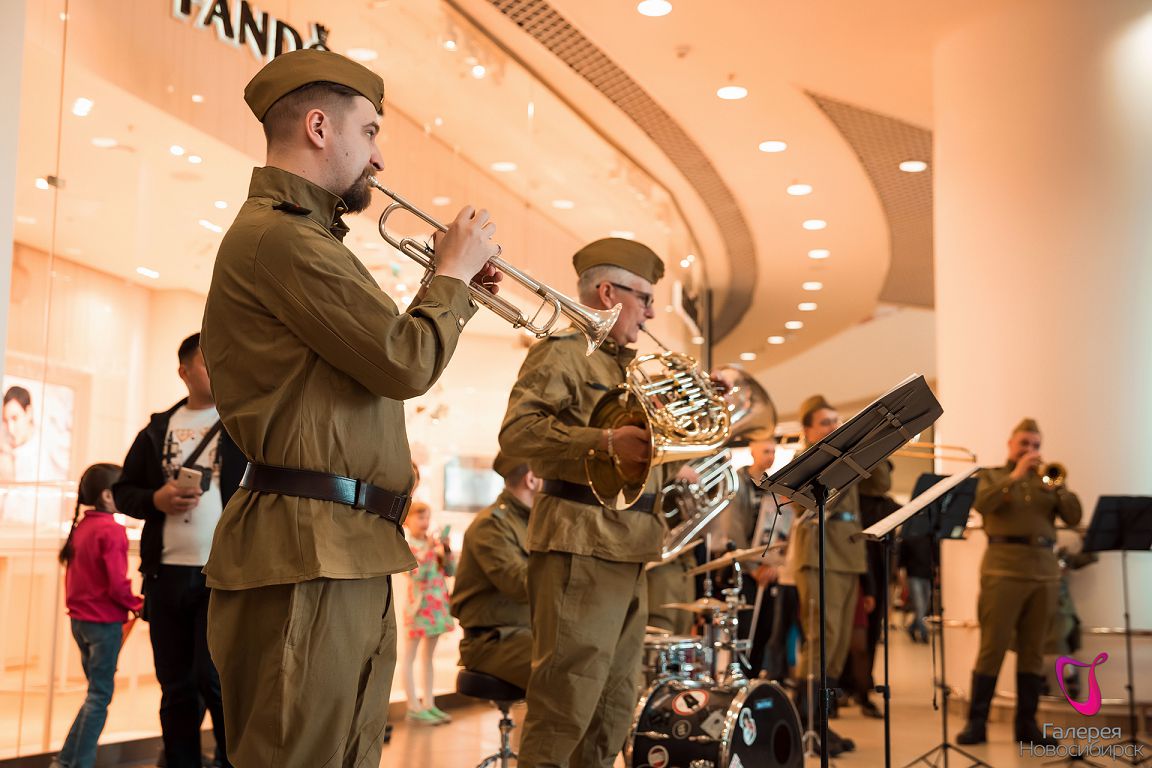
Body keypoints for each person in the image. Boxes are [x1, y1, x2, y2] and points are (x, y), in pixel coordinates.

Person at [200, 48, 499, 768]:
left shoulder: (301, 239)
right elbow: (405, 360)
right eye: (369, 132)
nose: (379, 158)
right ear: (318, 128)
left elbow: (377, 363)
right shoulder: (282, 238)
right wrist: (450, 278)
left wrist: (452, 287)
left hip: (337, 546)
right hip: (308, 550)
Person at [499, 237, 667, 768]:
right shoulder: (563, 351)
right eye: (644, 298)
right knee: (564, 706)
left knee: (612, 712)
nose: (651, 312)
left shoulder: (628, 370)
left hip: (628, 547)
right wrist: (605, 441)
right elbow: (519, 435)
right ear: (608, 293)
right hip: (581, 543)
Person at [113, 333, 242, 768]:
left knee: (215, 680)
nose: (219, 368)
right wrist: (156, 499)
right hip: (165, 573)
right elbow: (123, 491)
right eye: (208, 362)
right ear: (184, 372)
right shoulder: (157, 429)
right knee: (175, 685)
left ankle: (230, 761)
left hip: (221, 574)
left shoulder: (242, 424)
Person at [956, 418, 1082, 747]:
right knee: (993, 647)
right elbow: (982, 504)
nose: (1030, 450)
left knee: (1033, 651)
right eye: (1024, 443)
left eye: (1036, 445)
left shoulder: (1047, 480)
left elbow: (1074, 516)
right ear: (1010, 445)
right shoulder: (992, 476)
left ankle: (1027, 726)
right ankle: (976, 723)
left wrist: (1059, 489)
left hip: (1044, 572)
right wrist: (1014, 476)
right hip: (1003, 571)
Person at [787, 394, 869, 757]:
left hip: (847, 555)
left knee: (837, 647)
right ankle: (806, 721)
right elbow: (809, 503)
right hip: (820, 555)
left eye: (836, 421)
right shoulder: (803, 462)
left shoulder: (848, 457)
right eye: (825, 422)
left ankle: (822, 720)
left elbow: (880, 484)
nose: (834, 427)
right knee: (822, 639)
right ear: (807, 431)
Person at [51, 463, 142, 768]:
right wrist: (137, 603)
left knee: (94, 695)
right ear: (107, 495)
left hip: (80, 623)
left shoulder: (82, 528)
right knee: (99, 698)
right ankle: (80, 763)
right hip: (103, 624)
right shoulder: (111, 530)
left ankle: (65, 761)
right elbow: (117, 585)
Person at [450, 453, 537, 689]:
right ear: (531, 479)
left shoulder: (531, 523)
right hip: (491, 641)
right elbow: (521, 584)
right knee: (566, 671)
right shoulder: (492, 524)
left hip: (526, 634)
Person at [400, 500, 456, 725]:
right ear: (407, 520)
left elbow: (449, 571)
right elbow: (416, 574)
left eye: (427, 517)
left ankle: (429, 704)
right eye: (420, 517)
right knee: (409, 657)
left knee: (428, 658)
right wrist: (430, 549)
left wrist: (446, 549)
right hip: (417, 609)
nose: (425, 522)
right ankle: (413, 705)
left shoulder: (432, 544)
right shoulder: (406, 545)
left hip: (436, 608)